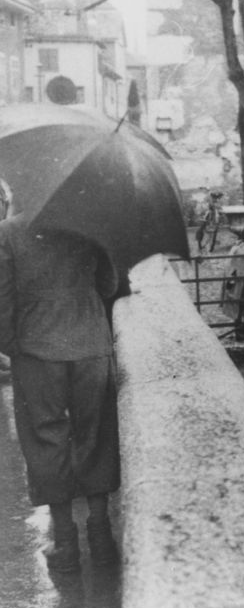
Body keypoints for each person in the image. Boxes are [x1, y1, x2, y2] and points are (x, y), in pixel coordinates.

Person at [0, 212, 121, 573]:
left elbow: (1, 297)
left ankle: (65, 543)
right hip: (90, 343)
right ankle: (101, 539)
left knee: (44, 437)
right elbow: (110, 284)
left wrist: (11, 345)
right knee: (96, 434)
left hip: (36, 348)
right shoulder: (92, 223)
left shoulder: (8, 232)